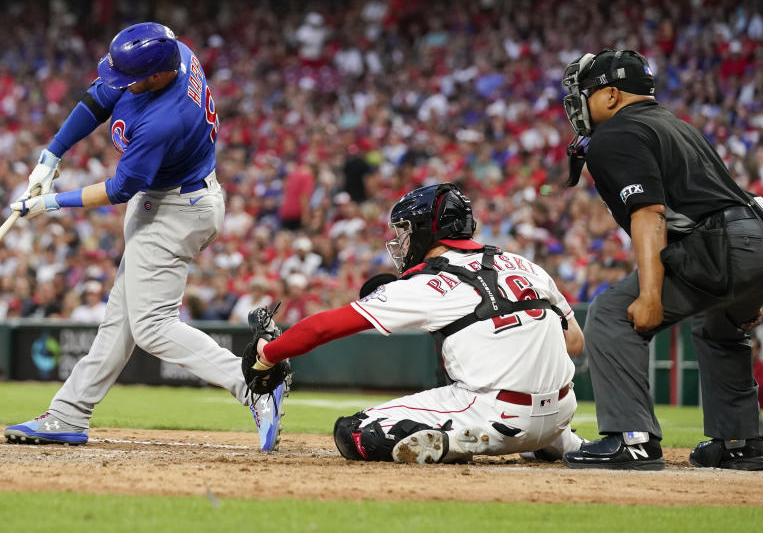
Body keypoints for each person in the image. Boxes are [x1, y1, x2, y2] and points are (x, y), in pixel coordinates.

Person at [3, 22, 287, 451]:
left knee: (152, 327)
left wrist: (50, 203)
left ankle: (255, 384)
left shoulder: (165, 120)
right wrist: (51, 155)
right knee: (121, 321)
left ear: (157, 75)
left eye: (130, 77)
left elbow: (120, 188)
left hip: (178, 210)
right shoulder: (172, 54)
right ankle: (68, 413)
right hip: (168, 199)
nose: (119, 82)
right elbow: (99, 98)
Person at [251, 183, 585, 464]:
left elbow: (326, 327)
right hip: (559, 414)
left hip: (492, 413)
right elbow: (575, 343)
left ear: (428, 230)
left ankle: (456, 443)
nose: (402, 241)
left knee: (355, 430)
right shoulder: (524, 264)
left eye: (407, 230)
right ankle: (558, 444)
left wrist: (269, 353)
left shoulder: (429, 282)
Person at [558, 49, 763, 471]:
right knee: (719, 327)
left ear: (611, 96)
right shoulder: (676, 124)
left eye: (585, 93)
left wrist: (650, 293)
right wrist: (748, 295)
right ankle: (739, 443)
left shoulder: (615, 133)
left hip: (727, 244)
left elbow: (649, 213)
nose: (578, 105)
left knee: (611, 314)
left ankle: (632, 439)